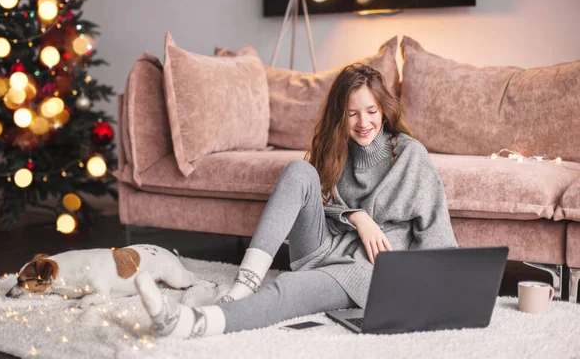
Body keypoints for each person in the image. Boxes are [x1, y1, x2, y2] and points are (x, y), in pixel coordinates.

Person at [134, 63, 459, 339]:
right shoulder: (336, 148)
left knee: (288, 291)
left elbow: (438, 235)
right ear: (339, 116)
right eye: (352, 114)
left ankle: (192, 323)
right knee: (299, 170)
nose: (363, 123)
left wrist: (436, 287)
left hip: (365, 270)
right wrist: (356, 216)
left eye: (372, 111)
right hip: (321, 246)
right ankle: (244, 284)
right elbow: (319, 198)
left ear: (384, 109)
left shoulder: (410, 157)